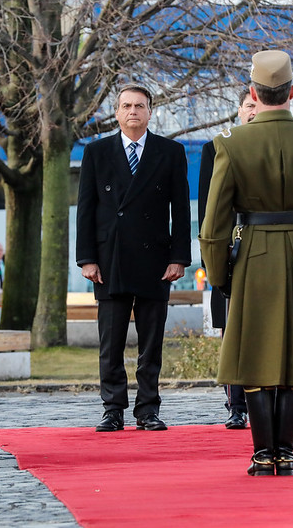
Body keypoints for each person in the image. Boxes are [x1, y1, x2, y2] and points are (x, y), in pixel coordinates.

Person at [200, 50, 293, 476]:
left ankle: (262, 453)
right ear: (292, 92)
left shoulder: (232, 143)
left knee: (254, 354)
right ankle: (286, 452)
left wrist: (217, 272)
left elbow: (214, 224)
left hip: (252, 256)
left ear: (253, 92)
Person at [76, 83, 191, 433]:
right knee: (110, 342)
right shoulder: (97, 152)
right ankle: (112, 408)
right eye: (126, 106)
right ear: (116, 112)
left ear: (150, 111)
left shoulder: (170, 152)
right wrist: (86, 259)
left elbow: (181, 210)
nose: (133, 112)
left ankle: (148, 409)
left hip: (155, 260)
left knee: (151, 341)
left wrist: (179, 257)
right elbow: (86, 209)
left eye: (139, 106)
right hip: (109, 261)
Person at [198, 87, 256, 430]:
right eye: (248, 106)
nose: (252, 111)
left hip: (267, 252)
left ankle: (265, 399)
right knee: (231, 333)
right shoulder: (215, 148)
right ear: (238, 110)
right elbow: (209, 210)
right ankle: (236, 404)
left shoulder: (276, 145)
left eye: (257, 106)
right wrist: (212, 258)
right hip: (231, 252)